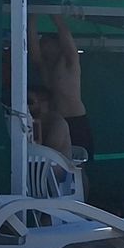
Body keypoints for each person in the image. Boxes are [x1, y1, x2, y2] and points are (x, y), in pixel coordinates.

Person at [28, 13, 92, 158]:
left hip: (75, 119)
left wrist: (55, 14)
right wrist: (32, 15)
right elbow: (33, 47)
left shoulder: (69, 62)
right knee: (52, 159)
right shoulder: (43, 66)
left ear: (56, 44)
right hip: (55, 121)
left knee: (80, 166)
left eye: (46, 41)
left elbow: (66, 36)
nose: (42, 43)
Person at [27, 86, 72, 158]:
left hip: (56, 167)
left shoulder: (58, 123)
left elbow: (49, 155)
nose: (26, 106)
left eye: (29, 102)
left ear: (43, 103)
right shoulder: (29, 121)